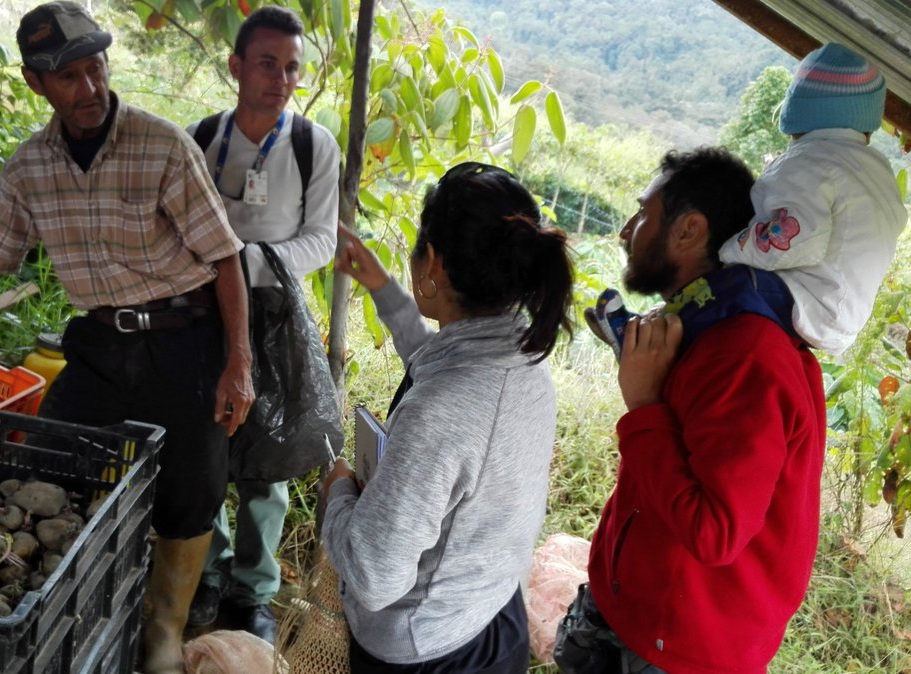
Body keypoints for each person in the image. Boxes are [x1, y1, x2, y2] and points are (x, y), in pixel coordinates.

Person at [0, 3, 254, 673]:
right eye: (68, 76)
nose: (90, 88)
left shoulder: (162, 144)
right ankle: (70, 615)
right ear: (35, 83)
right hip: (99, 348)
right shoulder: (30, 168)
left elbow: (225, 259)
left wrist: (238, 362)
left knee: (190, 494)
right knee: (53, 470)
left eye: (95, 67)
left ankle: (161, 634)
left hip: (187, 342)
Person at [554, 148, 827, 674]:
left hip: (679, 651)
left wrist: (643, 404)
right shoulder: (697, 321)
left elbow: (714, 532)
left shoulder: (746, 354)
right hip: (634, 613)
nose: (626, 229)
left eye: (642, 213)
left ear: (688, 231)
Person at [322, 162, 575, 673]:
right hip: (491, 618)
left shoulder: (442, 411)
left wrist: (338, 494)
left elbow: (373, 575)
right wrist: (382, 286)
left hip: (424, 651)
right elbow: (436, 360)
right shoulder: (522, 362)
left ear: (432, 262)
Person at [183, 5, 340, 644]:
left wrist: (249, 262)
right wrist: (217, 272)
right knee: (206, 451)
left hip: (274, 318)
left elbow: (323, 239)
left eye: (293, 68)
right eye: (268, 64)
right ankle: (209, 574)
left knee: (266, 463)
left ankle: (255, 594)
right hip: (202, 317)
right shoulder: (202, 140)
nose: (281, 79)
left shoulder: (311, 145)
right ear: (237, 67)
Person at [718, 41, 907, 355]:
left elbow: (795, 241)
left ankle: (646, 334)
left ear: (795, 118)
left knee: (715, 290)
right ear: (867, 128)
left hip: (803, 302)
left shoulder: (807, 163)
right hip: (844, 316)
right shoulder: (878, 170)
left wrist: (730, 248)